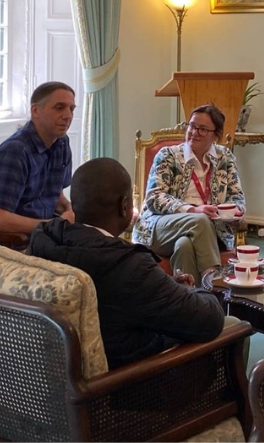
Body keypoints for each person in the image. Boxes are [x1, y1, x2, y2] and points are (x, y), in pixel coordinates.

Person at [28, 157, 225, 367]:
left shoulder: (44, 239)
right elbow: (210, 320)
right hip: (131, 384)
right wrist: (193, 291)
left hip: (59, 380)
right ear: (124, 206)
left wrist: (166, 287)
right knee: (234, 326)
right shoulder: (128, 266)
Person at [134, 104, 247, 280]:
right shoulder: (168, 155)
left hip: (209, 230)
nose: (194, 132)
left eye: (202, 129)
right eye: (192, 126)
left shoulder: (225, 157)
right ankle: (212, 278)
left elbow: (236, 196)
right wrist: (192, 210)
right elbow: (154, 198)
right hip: (160, 226)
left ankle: (189, 300)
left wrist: (236, 211)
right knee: (200, 220)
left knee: (184, 246)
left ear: (215, 135)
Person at [0, 82, 76, 233]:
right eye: (59, 108)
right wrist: (51, 226)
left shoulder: (62, 143)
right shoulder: (14, 152)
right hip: (8, 244)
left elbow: (56, 197)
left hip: (42, 236)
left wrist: (68, 209)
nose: (68, 116)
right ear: (35, 110)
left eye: (71, 109)